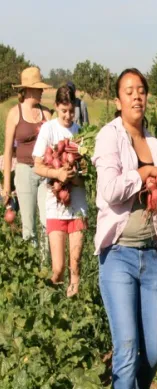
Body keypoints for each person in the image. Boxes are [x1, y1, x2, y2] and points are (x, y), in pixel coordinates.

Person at [92, 68, 157, 389]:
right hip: (119, 256)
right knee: (126, 349)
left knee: (154, 351)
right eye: (129, 91)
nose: (136, 96)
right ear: (118, 100)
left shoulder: (153, 143)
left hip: (154, 257)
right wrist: (142, 174)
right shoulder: (108, 137)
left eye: (141, 90)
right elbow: (109, 190)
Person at [33, 86, 88, 297]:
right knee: (59, 268)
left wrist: (76, 175)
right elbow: (37, 165)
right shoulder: (48, 129)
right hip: (55, 204)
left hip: (77, 203)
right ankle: (48, 297)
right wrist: (57, 174)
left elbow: (87, 169)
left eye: (71, 111)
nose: (68, 115)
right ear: (56, 107)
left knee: (75, 267)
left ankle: (74, 309)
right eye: (63, 111)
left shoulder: (80, 133)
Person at [2, 67, 52, 249]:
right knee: (28, 225)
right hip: (24, 172)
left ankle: (47, 268)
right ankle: (33, 272)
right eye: (39, 88)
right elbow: (7, 151)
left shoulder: (46, 114)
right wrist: (7, 184)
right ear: (29, 89)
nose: (42, 91)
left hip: (45, 172)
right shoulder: (15, 114)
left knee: (48, 222)